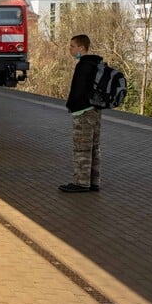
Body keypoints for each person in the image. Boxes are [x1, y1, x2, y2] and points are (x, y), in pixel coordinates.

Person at [60, 34, 103, 193]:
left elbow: (78, 90)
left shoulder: (83, 66)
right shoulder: (96, 64)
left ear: (81, 48)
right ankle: (94, 181)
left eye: (72, 46)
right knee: (94, 147)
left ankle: (81, 183)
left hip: (83, 111)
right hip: (95, 110)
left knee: (82, 148)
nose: (70, 49)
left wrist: (71, 105)